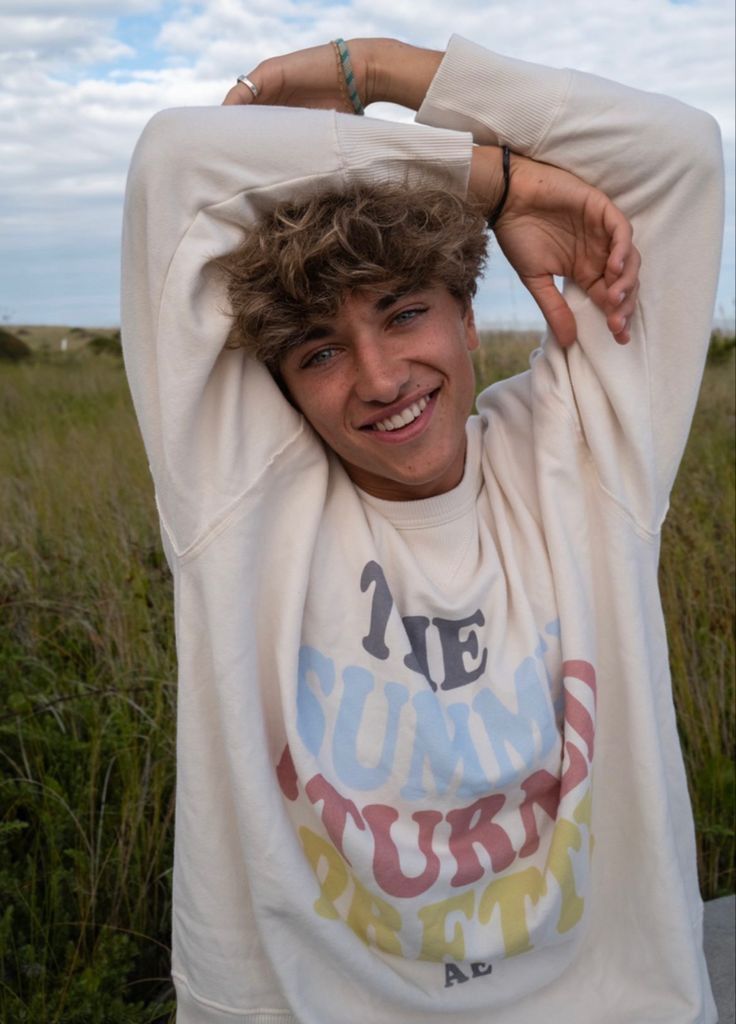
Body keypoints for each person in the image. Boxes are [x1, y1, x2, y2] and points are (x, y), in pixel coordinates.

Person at [121, 34, 724, 1024]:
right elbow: (173, 163)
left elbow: (683, 155)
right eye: (319, 350)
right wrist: (492, 180)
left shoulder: (582, 455)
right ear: (279, 386)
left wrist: (381, 70)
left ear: (467, 314)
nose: (380, 377)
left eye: (404, 312)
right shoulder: (241, 504)